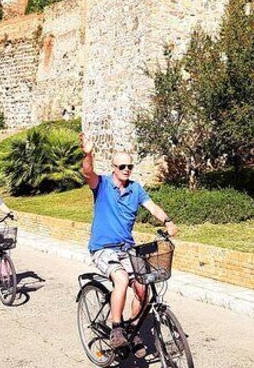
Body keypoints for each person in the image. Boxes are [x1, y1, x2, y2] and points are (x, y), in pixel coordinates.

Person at [80, 133, 178, 355]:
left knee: (143, 288)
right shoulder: (103, 185)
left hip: (126, 249)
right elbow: (88, 172)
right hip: (103, 248)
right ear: (113, 167)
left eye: (129, 166)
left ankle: (131, 330)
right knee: (121, 279)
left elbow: (152, 207)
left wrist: (168, 221)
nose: (126, 169)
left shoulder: (136, 189)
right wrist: (88, 154)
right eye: (122, 166)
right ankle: (116, 329)